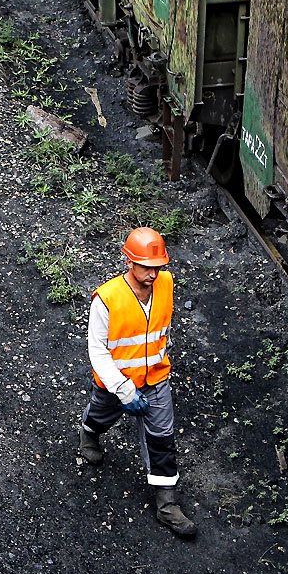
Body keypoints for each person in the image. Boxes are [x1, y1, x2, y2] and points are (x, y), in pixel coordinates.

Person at [77, 227, 197, 538]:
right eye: (146, 267)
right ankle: (89, 433)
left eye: (158, 267)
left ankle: (166, 503)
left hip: (156, 378)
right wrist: (123, 388)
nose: (153, 274)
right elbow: (97, 350)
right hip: (117, 383)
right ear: (129, 262)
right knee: (102, 415)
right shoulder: (107, 299)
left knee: (162, 436)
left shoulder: (167, 284)